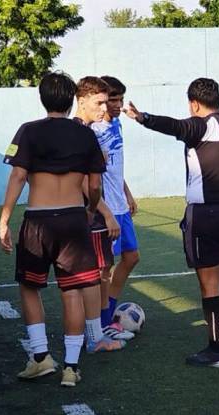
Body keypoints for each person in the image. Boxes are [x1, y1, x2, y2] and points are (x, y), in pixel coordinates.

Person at [123, 78, 219, 368]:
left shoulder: (202, 125)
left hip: (208, 214)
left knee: (210, 283)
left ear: (194, 103)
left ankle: (216, 349)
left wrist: (141, 117)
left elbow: (175, 126)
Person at [0, 71, 107, 387]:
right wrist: (88, 210)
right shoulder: (86, 135)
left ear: (42, 98)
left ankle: (40, 357)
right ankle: (71, 368)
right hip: (73, 219)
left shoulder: (28, 132)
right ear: (72, 99)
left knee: (30, 287)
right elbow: (95, 184)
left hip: (38, 220)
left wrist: (4, 218)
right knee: (70, 290)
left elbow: (18, 177)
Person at [74, 76, 131, 347]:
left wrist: (126, 194)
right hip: (95, 212)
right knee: (95, 273)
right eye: (103, 101)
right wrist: (103, 212)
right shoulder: (86, 132)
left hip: (105, 208)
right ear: (82, 101)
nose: (107, 106)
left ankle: (100, 326)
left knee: (109, 267)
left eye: (110, 101)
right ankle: (96, 330)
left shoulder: (104, 127)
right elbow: (88, 181)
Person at [90, 76, 140, 338]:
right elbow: (94, 176)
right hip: (106, 209)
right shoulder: (94, 131)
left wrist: (127, 193)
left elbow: (115, 167)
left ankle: (107, 314)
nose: (118, 105)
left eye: (121, 99)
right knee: (104, 268)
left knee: (132, 257)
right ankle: (102, 322)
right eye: (113, 100)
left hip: (121, 204)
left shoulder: (118, 124)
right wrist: (103, 209)